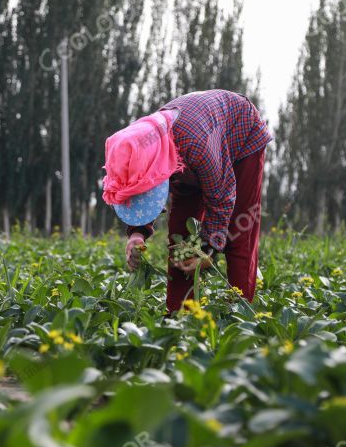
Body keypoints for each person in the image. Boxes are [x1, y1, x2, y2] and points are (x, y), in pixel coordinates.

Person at [102, 89, 273, 313]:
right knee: (181, 241)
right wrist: (137, 233)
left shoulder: (196, 145)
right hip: (189, 158)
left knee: (238, 232)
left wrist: (207, 248)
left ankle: (241, 316)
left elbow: (222, 197)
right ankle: (180, 315)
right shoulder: (139, 146)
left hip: (241, 133)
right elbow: (138, 192)